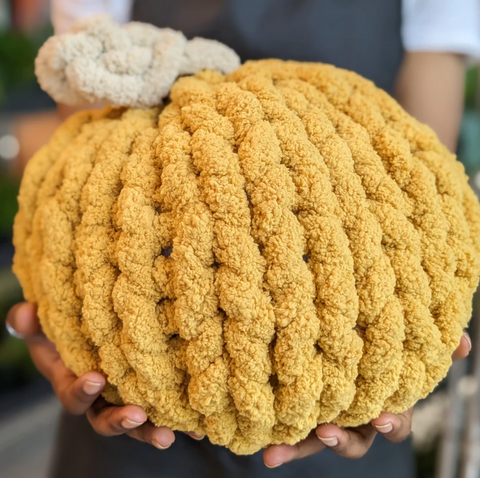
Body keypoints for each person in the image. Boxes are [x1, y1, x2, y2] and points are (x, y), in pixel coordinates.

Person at [6, 1, 480, 476]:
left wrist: (410, 339)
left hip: (344, 357)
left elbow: (414, 183)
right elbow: (88, 176)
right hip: (150, 364)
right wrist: (64, 310)